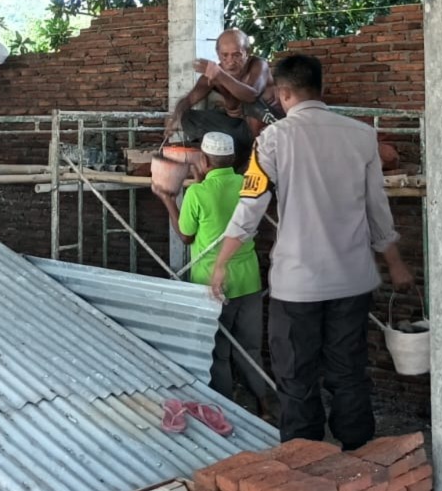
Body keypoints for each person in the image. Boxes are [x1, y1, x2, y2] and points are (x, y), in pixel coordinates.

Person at [208, 54, 413, 451]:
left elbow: (250, 208)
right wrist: (395, 264)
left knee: (296, 376)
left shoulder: (273, 139)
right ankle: (360, 456)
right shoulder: (362, 136)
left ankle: (306, 460)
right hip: (352, 281)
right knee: (349, 371)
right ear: (321, 88)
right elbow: (378, 211)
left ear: (282, 93)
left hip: (297, 285)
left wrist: (221, 262)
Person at [151, 131, 272, 419]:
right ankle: (266, 406)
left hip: (213, 282)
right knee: (250, 348)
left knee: (218, 351)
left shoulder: (197, 193)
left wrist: (168, 199)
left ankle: (224, 410)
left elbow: (186, 236)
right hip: (249, 278)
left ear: (204, 160)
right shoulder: (246, 183)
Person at [166, 29, 283, 167]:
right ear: (218, 54)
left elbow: (252, 95)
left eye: (237, 55)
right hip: (239, 131)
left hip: (269, 131)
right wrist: (175, 118)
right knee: (188, 117)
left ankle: (254, 156)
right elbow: (189, 100)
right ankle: (231, 153)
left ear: (247, 53)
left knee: (249, 104)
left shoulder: (258, 65)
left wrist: (220, 75)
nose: (230, 61)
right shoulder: (214, 74)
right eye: (225, 55)